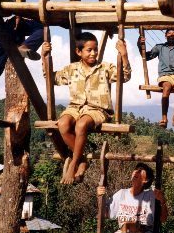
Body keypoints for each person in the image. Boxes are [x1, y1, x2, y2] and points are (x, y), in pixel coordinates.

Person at [41, 32, 131, 185]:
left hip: (98, 110)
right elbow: (50, 77)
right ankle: (82, 160)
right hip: (75, 108)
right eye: (89, 50)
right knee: (62, 124)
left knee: (81, 125)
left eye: (95, 49)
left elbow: (125, 76)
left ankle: (74, 164)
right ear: (79, 52)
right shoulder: (72, 69)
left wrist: (124, 55)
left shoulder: (105, 68)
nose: (93, 53)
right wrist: (44, 57)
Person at [82, 163, 168, 233]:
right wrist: (99, 197)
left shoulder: (151, 195)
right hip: (124, 232)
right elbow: (105, 214)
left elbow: (163, 219)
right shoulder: (122, 193)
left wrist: (162, 201)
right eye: (136, 169)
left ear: (146, 180)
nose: (136, 171)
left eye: (141, 170)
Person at [138, 28, 174, 129]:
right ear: (165, 36)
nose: (171, 35)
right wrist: (140, 45)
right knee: (167, 87)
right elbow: (147, 57)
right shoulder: (159, 47)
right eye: (169, 33)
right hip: (165, 75)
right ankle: (164, 118)